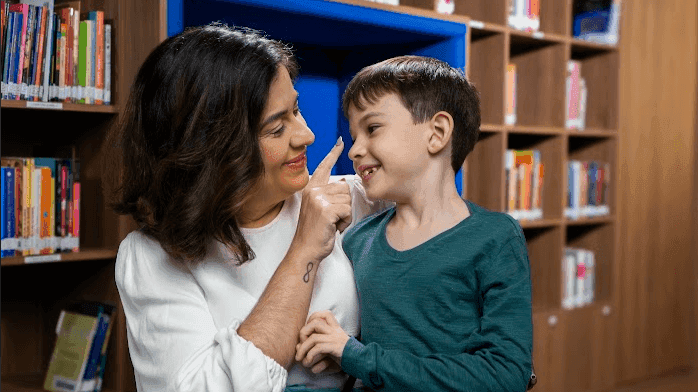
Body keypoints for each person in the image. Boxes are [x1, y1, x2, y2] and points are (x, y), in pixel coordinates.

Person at [106, 23, 391, 391]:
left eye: (296, 109)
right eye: (276, 129)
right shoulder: (150, 257)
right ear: (214, 150)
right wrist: (304, 250)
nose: (307, 135)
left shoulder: (351, 199)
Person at [295, 56, 535, 392]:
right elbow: (356, 347)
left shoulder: (495, 238)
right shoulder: (356, 239)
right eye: (353, 135)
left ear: (437, 133)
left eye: (372, 129)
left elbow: (505, 374)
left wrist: (355, 356)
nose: (355, 150)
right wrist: (333, 349)